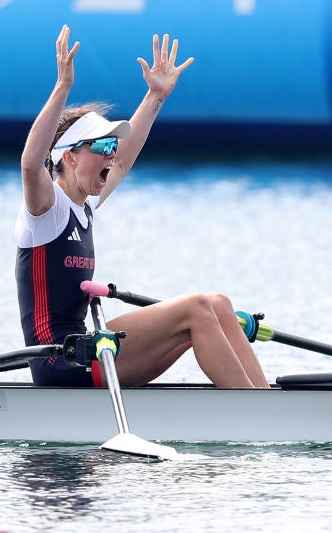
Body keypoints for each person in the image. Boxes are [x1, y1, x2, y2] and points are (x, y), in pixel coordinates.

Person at [15, 25, 268, 389]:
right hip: (60, 361)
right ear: (69, 157)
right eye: (102, 146)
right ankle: (253, 410)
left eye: (112, 146)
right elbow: (29, 164)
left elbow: (122, 162)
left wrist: (156, 95)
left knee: (218, 304)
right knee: (197, 307)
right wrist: (62, 88)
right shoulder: (46, 210)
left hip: (89, 349)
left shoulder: (85, 205)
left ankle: (261, 400)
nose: (111, 154)